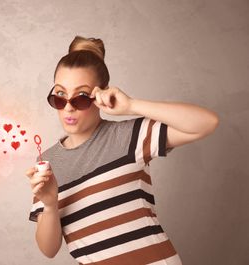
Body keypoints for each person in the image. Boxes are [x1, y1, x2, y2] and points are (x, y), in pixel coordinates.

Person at [25, 35, 219, 265]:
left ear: (101, 94)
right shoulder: (47, 162)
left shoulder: (128, 136)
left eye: (82, 97)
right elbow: (49, 249)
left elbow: (206, 123)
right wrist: (49, 204)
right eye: (60, 96)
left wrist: (131, 106)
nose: (68, 107)